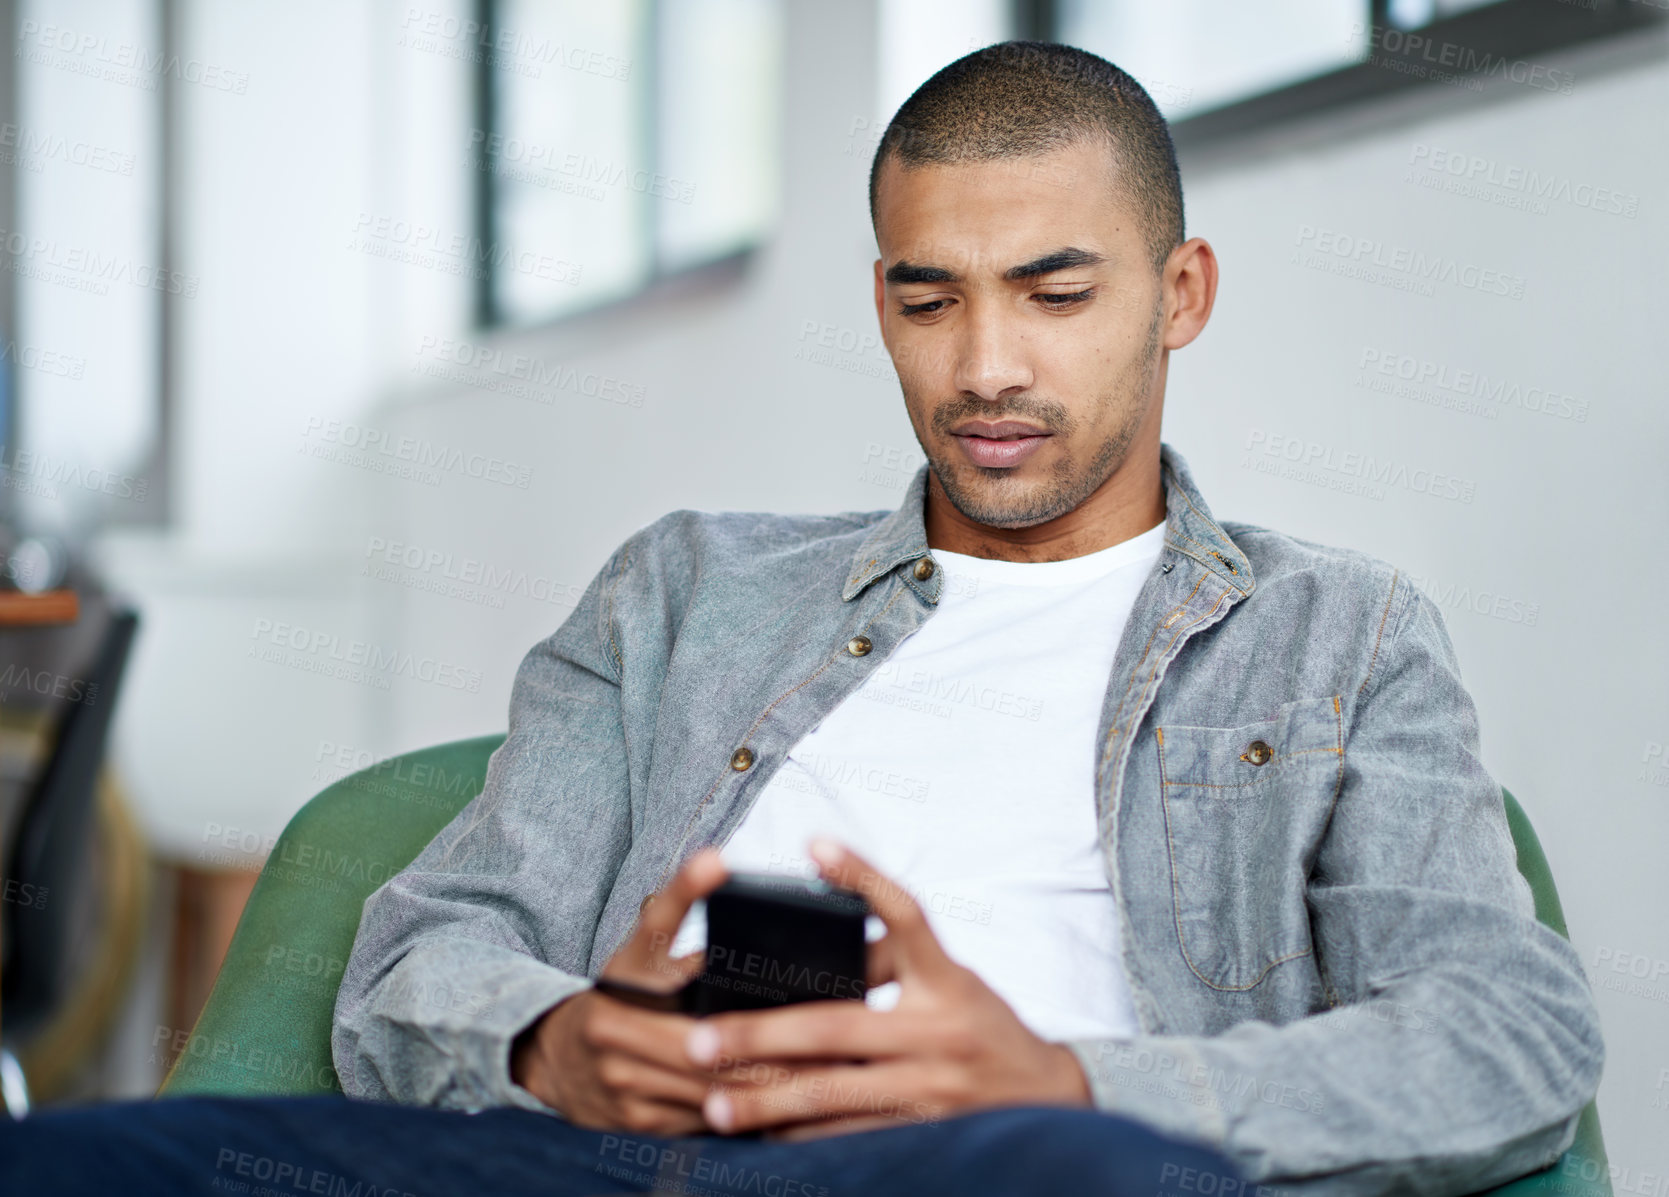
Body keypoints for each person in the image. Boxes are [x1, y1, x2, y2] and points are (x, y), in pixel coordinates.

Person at [2, 40, 1600, 1197]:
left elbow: (1501, 1037)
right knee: (86, 1162)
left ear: (1177, 293)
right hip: (609, 1156)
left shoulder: (1341, 635)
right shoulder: (687, 586)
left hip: (1021, 1159)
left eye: (1054, 294)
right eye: (926, 296)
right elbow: (428, 944)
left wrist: (1061, 1077)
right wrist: (557, 1040)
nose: (981, 366)